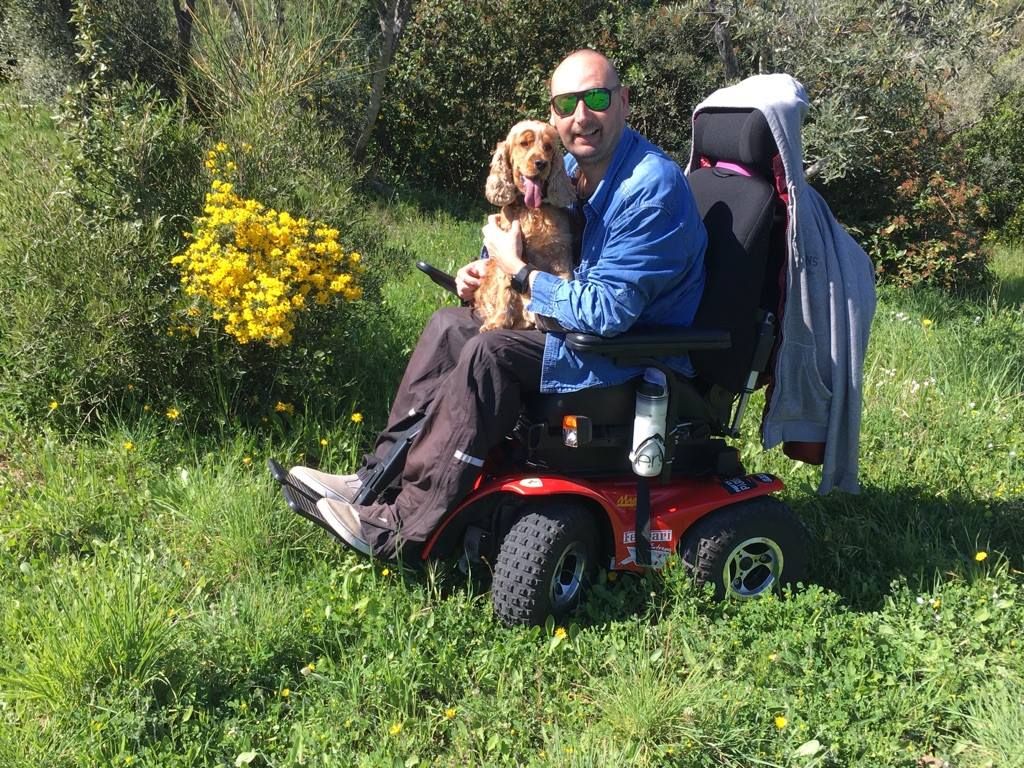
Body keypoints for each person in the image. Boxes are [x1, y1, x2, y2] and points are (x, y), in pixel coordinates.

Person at [288, 49, 707, 559]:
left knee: (491, 354)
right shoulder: (566, 164)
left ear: (623, 101)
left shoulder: (649, 187)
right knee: (449, 326)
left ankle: (399, 526)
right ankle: (375, 479)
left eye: (596, 98)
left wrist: (519, 272)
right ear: (553, 114)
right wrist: (484, 266)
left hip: (627, 355)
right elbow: (525, 234)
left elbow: (608, 314)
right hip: (571, 330)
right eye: (566, 102)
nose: (582, 115)